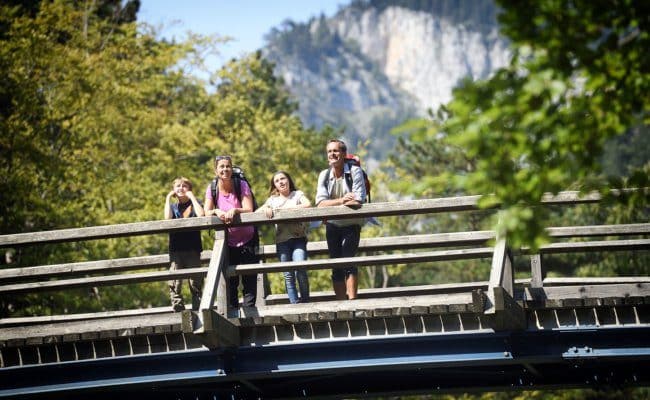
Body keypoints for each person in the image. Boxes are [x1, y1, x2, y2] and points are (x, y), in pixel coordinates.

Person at [204, 155, 258, 309]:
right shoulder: (212, 188)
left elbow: (249, 209)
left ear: (232, 168)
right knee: (230, 280)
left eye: (228, 166)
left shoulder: (241, 184)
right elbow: (206, 212)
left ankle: (250, 313)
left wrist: (234, 210)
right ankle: (233, 312)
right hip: (227, 241)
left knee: (249, 278)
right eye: (221, 166)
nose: (225, 169)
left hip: (248, 238)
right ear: (216, 170)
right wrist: (217, 211)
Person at [315, 139, 366, 300]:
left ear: (343, 154)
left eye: (336, 151)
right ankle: (340, 303)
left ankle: (352, 302)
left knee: (348, 261)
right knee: (336, 264)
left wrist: (332, 204)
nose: (332, 154)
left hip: (352, 223)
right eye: (329, 151)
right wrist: (342, 200)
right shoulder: (324, 175)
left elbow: (358, 200)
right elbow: (320, 204)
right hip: (332, 224)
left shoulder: (355, 171)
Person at [258, 171, 311, 304]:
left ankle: (306, 301)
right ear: (275, 185)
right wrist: (267, 208)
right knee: (288, 275)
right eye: (277, 181)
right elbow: (257, 212)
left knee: (301, 269)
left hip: (298, 239)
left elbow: (308, 205)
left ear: (288, 180)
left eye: (283, 178)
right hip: (282, 242)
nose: (281, 182)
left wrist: (290, 208)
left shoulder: (297, 195)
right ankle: (294, 303)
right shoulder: (272, 200)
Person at [164, 177, 205, 312]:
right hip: (176, 249)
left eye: (184, 186)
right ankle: (178, 309)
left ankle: (198, 309)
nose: (181, 188)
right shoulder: (173, 207)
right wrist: (168, 199)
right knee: (175, 281)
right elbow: (167, 219)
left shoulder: (196, 203)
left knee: (195, 281)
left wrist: (192, 197)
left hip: (193, 248)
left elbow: (201, 215)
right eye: (178, 186)